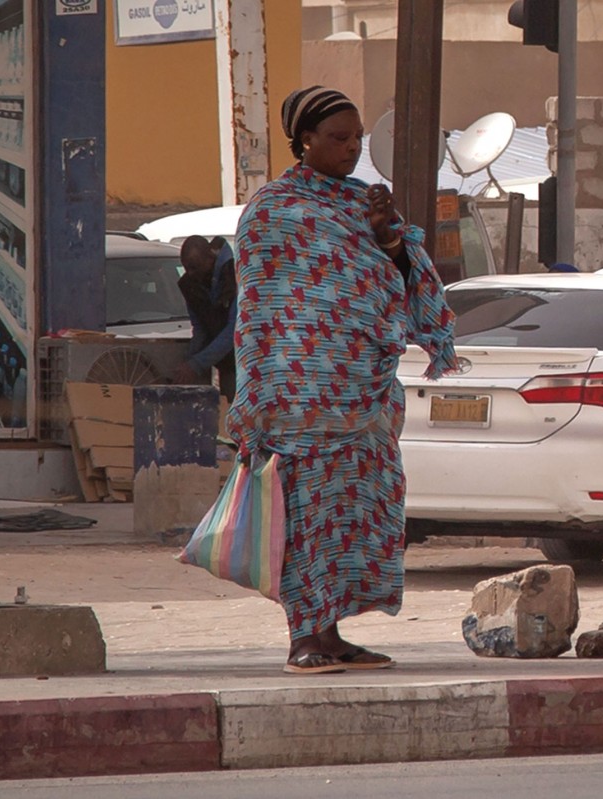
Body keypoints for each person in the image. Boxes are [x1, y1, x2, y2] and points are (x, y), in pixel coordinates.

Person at [226, 86, 456, 674]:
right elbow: (262, 308)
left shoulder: (364, 205)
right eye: (339, 138)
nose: (353, 149)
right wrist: (256, 393)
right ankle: (303, 636)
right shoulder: (272, 210)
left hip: (363, 395)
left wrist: (388, 238)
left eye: (358, 139)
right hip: (295, 398)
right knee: (304, 518)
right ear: (304, 141)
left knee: (357, 512)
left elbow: (411, 281)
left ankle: (332, 636)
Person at [175, 235, 237, 400]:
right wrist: (189, 361)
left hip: (246, 360)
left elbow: (235, 330)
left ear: (210, 258)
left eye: (195, 267)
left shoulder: (233, 275)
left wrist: (196, 364)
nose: (190, 273)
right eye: (187, 268)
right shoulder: (191, 285)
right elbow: (200, 328)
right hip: (227, 365)